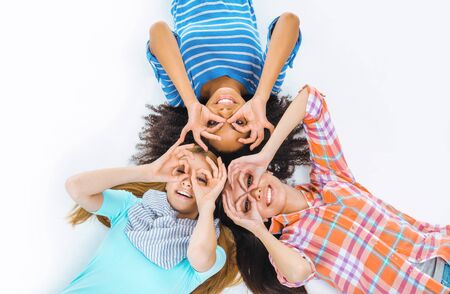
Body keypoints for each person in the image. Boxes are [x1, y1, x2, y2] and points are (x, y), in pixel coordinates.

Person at [221, 85, 450, 293]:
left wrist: (265, 155)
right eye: (247, 204)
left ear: (266, 171)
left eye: (249, 181)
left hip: (441, 248)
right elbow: (297, 273)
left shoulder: (330, 178)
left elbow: (311, 101)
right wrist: (257, 229)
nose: (255, 193)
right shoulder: (292, 243)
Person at [62, 141, 233, 294]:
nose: (188, 182)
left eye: (201, 179)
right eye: (180, 171)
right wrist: (149, 172)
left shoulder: (213, 252)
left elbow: (199, 254)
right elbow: (76, 187)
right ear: (167, 179)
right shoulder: (129, 207)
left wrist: (207, 204)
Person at [147, 0, 302, 153]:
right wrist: (261, 97)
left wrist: (191, 103)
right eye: (239, 121)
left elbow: (158, 30)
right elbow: (289, 21)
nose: (226, 111)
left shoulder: (183, 95)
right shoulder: (261, 84)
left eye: (214, 122)